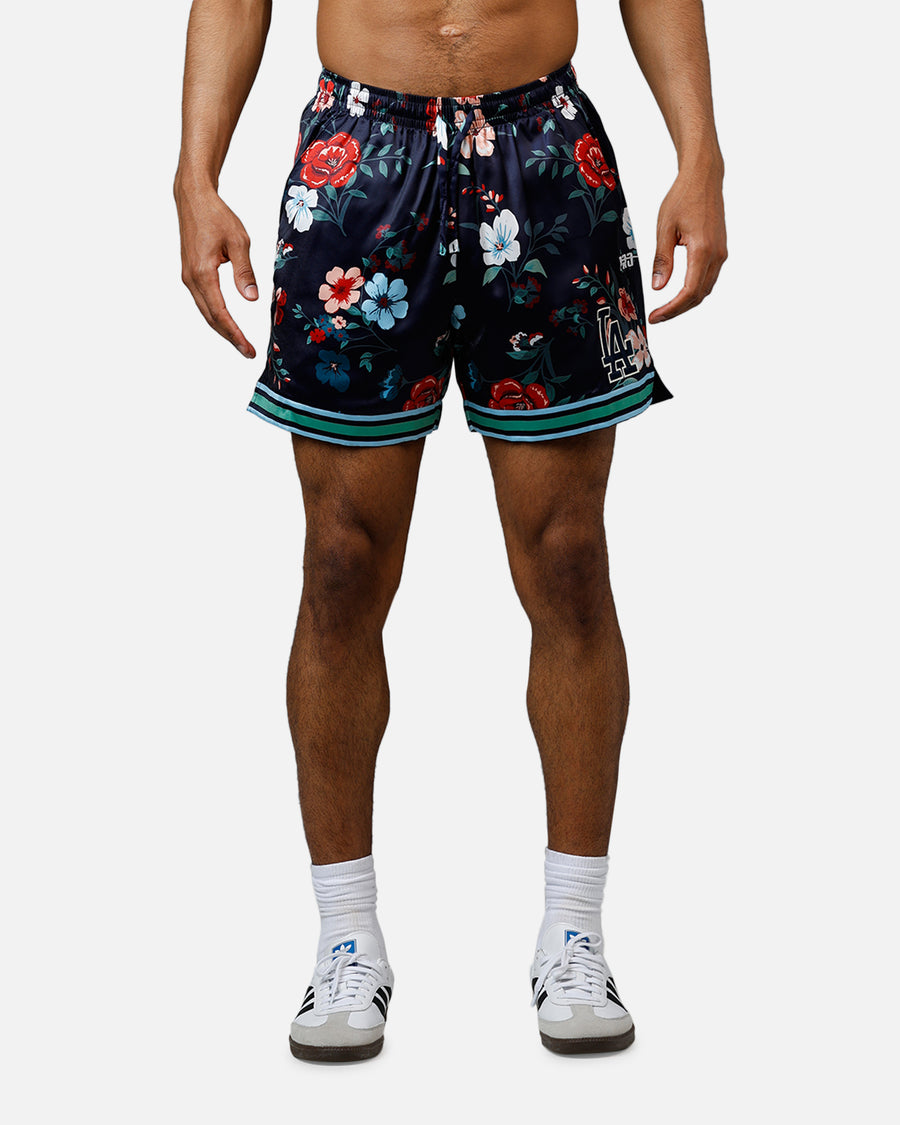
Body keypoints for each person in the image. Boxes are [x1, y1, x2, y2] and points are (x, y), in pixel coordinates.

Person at [174, 0, 726, 1061]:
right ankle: (347, 940)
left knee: (569, 559)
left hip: (543, 148)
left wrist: (700, 154)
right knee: (340, 562)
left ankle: (575, 933)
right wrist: (195, 175)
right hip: (361, 152)